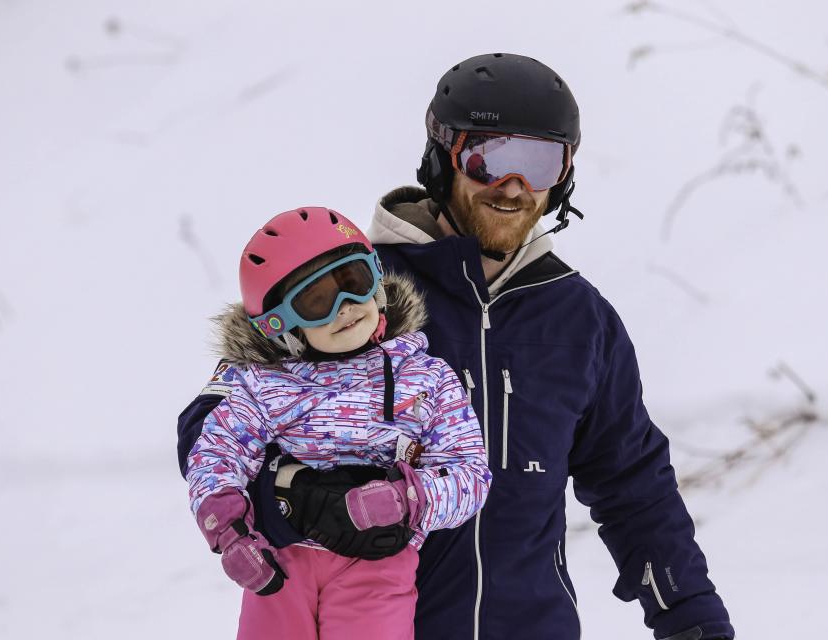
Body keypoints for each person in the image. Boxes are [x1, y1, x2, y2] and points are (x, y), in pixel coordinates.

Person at [178, 53, 735, 640]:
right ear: (442, 157)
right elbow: (217, 420)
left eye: (540, 162)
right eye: (489, 158)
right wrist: (288, 494)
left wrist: (690, 615)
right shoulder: (356, 294)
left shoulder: (579, 320)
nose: (513, 187)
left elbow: (634, 483)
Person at [183, 207, 490, 640]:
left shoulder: (425, 378)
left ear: (377, 281)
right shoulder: (263, 383)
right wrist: (228, 531)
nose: (344, 308)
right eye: (316, 301)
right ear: (280, 324)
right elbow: (216, 452)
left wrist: (408, 498)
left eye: (353, 282)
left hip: (377, 562)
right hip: (282, 558)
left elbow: (470, 475)